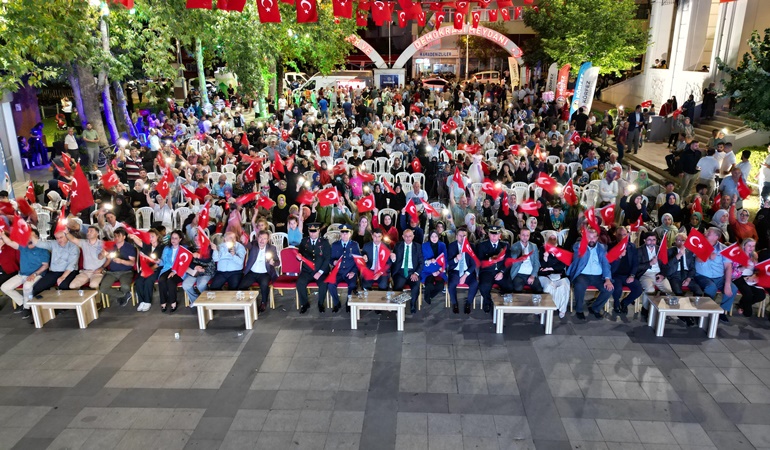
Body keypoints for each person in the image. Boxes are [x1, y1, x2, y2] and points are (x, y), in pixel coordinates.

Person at [0, 230, 49, 319]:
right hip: (22, 274)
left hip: (37, 274)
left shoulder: (43, 250)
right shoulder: (23, 247)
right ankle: (23, 303)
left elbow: (45, 266)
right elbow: (10, 243)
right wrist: (2, 235)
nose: (29, 239)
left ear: (37, 238)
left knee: (27, 286)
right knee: (5, 287)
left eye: (31, 237)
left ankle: (27, 308)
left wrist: (34, 274)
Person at [568, 227, 613, 320]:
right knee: (579, 286)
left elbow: (605, 264)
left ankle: (595, 308)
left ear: (597, 238)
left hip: (598, 276)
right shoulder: (579, 246)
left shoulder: (602, 248)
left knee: (609, 289)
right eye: (589, 237)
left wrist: (607, 279)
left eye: (594, 237)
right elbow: (576, 247)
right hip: (582, 275)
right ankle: (579, 310)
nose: (592, 239)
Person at [694, 227, 737, 322]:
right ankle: (705, 310)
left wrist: (727, 284)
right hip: (702, 276)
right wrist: (708, 255)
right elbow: (697, 259)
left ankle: (721, 311)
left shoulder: (723, 249)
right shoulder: (699, 244)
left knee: (733, 288)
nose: (706, 233)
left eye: (709, 232)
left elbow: (728, 267)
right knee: (711, 287)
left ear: (716, 237)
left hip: (719, 277)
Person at [238, 230, 279, 313]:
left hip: (265, 273)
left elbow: (278, 262)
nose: (262, 240)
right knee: (241, 286)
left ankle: (263, 303)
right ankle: (249, 302)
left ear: (267, 240)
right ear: (257, 238)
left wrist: (273, 263)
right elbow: (247, 244)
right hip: (252, 272)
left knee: (264, 285)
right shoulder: (254, 245)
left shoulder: (272, 248)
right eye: (260, 238)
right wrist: (243, 241)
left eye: (264, 238)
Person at [296, 223, 331, 314]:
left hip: (321, 271)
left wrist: (320, 272)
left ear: (318, 231)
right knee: (300, 282)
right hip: (307, 271)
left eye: (314, 231)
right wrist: (298, 257)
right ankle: (304, 304)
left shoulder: (324, 242)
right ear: (308, 231)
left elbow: (327, 258)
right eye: (311, 231)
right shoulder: (304, 241)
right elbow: (300, 254)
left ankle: (320, 304)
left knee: (323, 284)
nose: (312, 233)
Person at [636, 232, 673, 318]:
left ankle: (663, 309)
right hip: (645, 274)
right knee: (650, 290)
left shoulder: (660, 249)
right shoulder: (639, 250)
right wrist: (650, 263)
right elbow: (636, 267)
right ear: (644, 240)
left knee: (668, 289)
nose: (652, 242)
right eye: (649, 240)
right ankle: (645, 310)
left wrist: (662, 275)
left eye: (654, 240)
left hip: (658, 274)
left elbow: (665, 265)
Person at [477, 226, 512, 313]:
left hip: (500, 272)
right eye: (492, 234)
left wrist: (502, 272)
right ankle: (487, 301)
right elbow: (479, 261)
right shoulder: (482, 245)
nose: (494, 236)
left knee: (509, 286)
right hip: (487, 272)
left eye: (496, 234)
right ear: (488, 234)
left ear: (500, 235)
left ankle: (502, 303)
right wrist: (489, 260)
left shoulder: (505, 245)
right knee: (484, 286)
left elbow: (508, 262)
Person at [97, 228, 136, 307]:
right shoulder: (111, 246)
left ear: (124, 237)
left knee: (125, 286)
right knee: (103, 288)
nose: (116, 238)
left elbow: (132, 263)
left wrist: (121, 261)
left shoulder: (129, 247)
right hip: (112, 272)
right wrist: (102, 264)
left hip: (126, 272)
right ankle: (124, 295)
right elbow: (106, 259)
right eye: (115, 236)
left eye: (119, 236)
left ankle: (123, 296)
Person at [609, 227, 643, 315]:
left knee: (638, 289)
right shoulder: (610, 246)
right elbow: (608, 263)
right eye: (619, 235)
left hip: (627, 275)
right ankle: (616, 303)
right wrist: (619, 257)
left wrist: (632, 275)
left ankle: (625, 303)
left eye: (624, 235)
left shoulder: (631, 246)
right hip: (615, 275)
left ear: (627, 235)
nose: (622, 237)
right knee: (618, 289)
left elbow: (635, 263)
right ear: (615, 235)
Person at [129, 229, 165, 312]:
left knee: (148, 281)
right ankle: (141, 301)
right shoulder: (147, 246)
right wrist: (133, 237)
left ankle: (147, 301)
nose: (150, 238)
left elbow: (162, 261)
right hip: (146, 268)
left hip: (157, 268)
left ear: (157, 236)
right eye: (149, 237)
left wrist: (152, 268)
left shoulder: (162, 247)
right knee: (139, 281)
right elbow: (139, 242)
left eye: (152, 236)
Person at [327, 224, 360, 313]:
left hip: (350, 272)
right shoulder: (335, 245)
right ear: (340, 234)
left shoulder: (354, 245)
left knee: (352, 285)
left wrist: (353, 272)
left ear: (350, 234)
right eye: (343, 233)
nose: (344, 235)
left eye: (346, 233)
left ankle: (348, 303)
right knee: (330, 284)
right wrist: (333, 262)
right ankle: (336, 303)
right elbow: (330, 259)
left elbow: (358, 261)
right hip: (338, 272)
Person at [391, 228, 424, 314]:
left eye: (410, 236)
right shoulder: (398, 246)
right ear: (403, 237)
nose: (408, 238)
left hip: (413, 272)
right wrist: (393, 258)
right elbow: (394, 260)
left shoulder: (418, 247)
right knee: (397, 286)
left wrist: (416, 273)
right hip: (400, 272)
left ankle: (413, 304)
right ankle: (398, 306)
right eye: (406, 236)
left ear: (413, 237)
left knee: (415, 286)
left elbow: (421, 262)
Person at [538, 234, 570, 318]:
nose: (552, 241)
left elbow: (562, 265)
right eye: (550, 239)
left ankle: (562, 309)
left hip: (559, 274)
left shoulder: (561, 249)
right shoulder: (542, 249)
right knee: (549, 286)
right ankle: (547, 308)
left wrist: (549, 268)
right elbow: (541, 265)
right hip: (545, 275)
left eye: (554, 239)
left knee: (564, 286)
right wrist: (545, 257)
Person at [447, 227, 478, 314]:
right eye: (460, 236)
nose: (462, 238)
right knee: (451, 284)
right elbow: (448, 262)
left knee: (475, 284)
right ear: (456, 237)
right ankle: (454, 303)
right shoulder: (451, 246)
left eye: (464, 236)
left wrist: (465, 275)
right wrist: (456, 259)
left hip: (467, 271)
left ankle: (468, 303)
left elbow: (473, 264)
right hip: (455, 271)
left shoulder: (471, 246)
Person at [157, 230, 186, 313]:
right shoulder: (167, 248)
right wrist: (158, 261)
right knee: (161, 279)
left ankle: (173, 302)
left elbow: (184, 264)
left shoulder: (184, 249)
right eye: (172, 238)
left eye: (176, 238)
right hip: (167, 268)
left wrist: (175, 271)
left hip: (179, 270)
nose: (173, 240)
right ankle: (163, 302)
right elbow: (163, 262)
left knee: (170, 280)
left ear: (180, 239)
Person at [509, 228, 542, 293]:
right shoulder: (514, 246)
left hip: (530, 273)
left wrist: (532, 276)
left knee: (539, 290)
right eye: (523, 235)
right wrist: (520, 259)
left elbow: (536, 263)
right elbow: (513, 263)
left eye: (527, 235)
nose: (525, 237)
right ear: (519, 235)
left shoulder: (533, 246)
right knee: (517, 289)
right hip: (518, 274)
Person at [420, 229, 447, 306]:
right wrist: (430, 261)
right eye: (432, 236)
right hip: (428, 271)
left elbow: (445, 259)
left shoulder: (442, 245)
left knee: (440, 286)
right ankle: (427, 297)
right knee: (429, 285)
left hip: (439, 271)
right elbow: (422, 260)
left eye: (436, 236)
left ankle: (429, 295)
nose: (434, 238)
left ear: (438, 237)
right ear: (429, 237)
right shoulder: (424, 246)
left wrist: (439, 271)